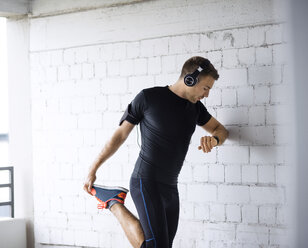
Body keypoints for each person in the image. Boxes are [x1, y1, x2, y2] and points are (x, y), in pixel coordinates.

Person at [83, 56, 229, 248]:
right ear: (190, 79)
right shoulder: (148, 98)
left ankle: (112, 199)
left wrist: (215, 139)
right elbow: (119, 135)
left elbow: (221, 130)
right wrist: (93, 169)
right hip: (146, 182)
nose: (207, 95)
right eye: (206, 88)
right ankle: (114, 203)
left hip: (170, 187)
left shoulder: (195, 109)